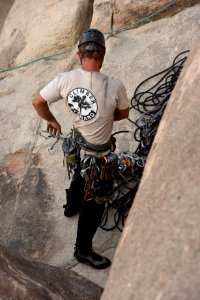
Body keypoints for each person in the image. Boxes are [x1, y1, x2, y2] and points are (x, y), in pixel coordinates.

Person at [32, 28, 129, 269]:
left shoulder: (65, 79)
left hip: (77, 145)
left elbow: (37, 101)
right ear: (103, 55)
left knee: (78, 172)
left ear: (79, 55)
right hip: (98, 153)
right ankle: (83, 251)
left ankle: (71, 205)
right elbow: (123, 113)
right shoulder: (114, 85)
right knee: (96, 201)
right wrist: (105, 116)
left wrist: (52, 121)